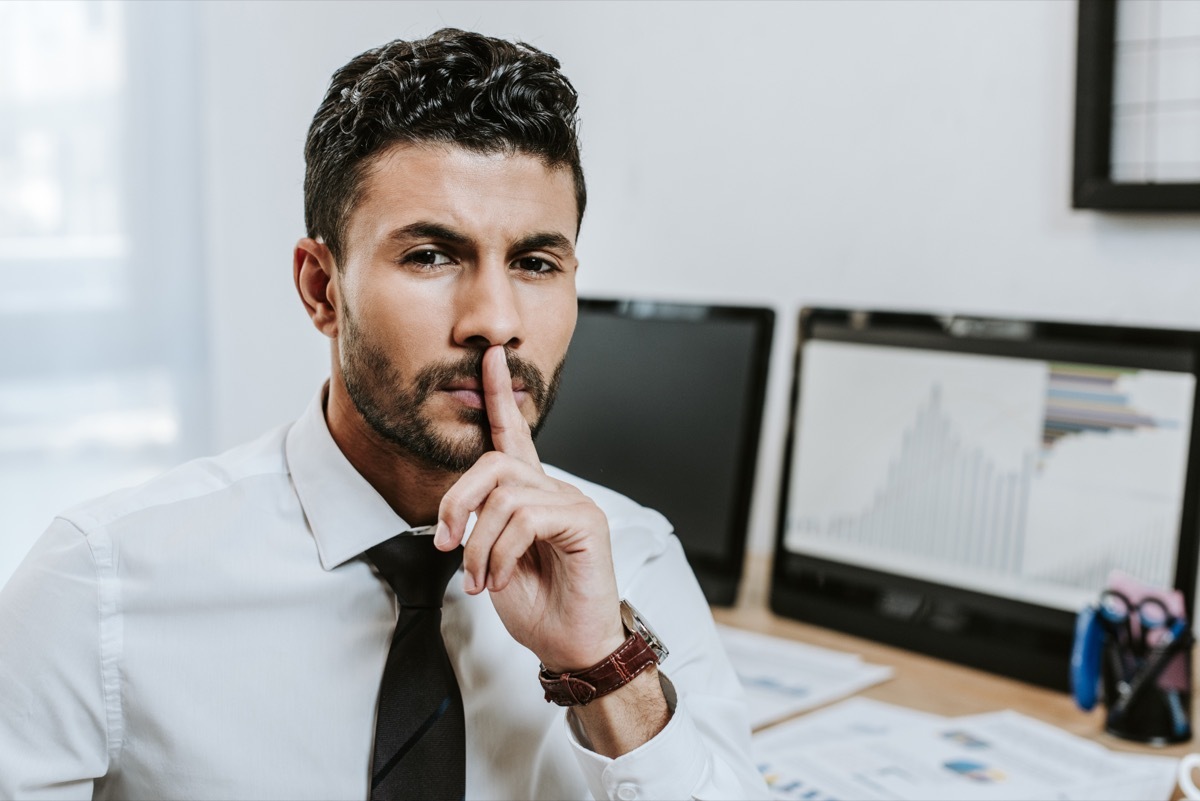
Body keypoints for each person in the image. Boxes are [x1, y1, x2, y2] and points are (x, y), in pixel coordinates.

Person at [0, 28, 768, 800]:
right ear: (321, 289)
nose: (494, 320)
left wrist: (601, 663)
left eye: (535, 263)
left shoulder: (633, 557)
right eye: (431, 255)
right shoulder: (96, 583)